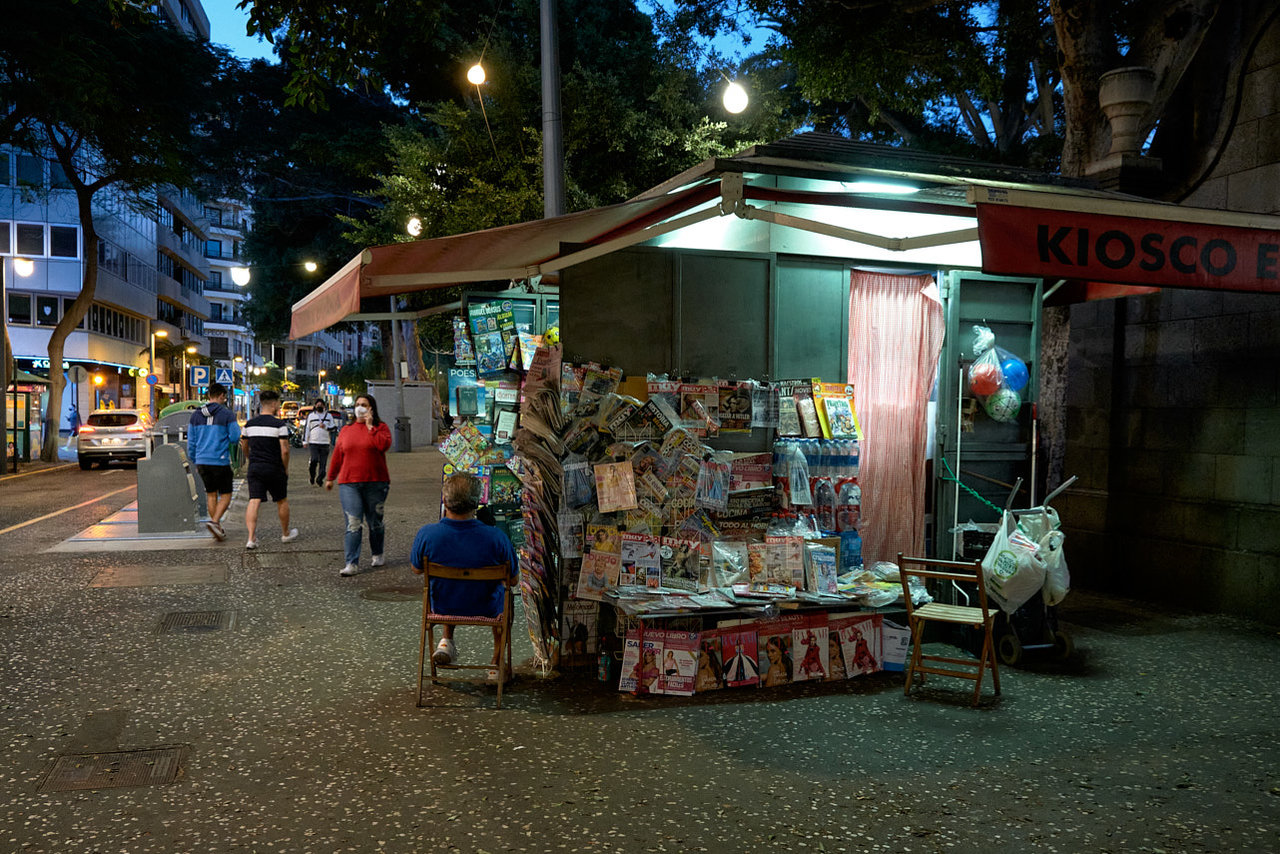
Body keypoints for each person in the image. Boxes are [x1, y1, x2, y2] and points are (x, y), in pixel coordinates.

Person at [411, 473, 519, 681]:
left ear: (445, 501)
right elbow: (512, 580)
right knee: (508, 597)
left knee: (448, 585)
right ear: (477, 503)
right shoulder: (496, 538)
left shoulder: (427, 534)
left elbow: (416, 569)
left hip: (442, 608)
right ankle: (496, 665)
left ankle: (446, 641)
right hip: (486, 608)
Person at [325, 393, 392, 575]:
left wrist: (371, 427)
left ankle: (377, 553)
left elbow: (383, 446)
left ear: (371, 408)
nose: (360, 407)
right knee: (353, 522)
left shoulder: (381, 428)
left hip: (376, 482)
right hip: (349, 483)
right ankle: (351, 563)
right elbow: (338, 455)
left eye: (364, 404)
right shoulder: (347, 430)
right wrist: (330, 477)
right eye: (358, 404)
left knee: (375, 522)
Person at [239, 390, 298, 549]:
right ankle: (285, 534)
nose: (279, 405)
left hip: (255, 467)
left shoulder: (249, 425)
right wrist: (285, 468)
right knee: (281, 500)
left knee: (254, 500)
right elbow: (285, 450)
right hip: (274, 467)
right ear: (273, 404)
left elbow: (244, 445)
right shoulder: (280, 425)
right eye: (278, 403)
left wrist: (250, 458)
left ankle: (251, 538)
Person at [188, 382, 241, 541]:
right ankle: (215, 521)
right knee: (226, 495)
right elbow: (235, 437)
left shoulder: (195, 415)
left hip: (202, 461)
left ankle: (216, 528)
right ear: (221, 396)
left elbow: (191, 442)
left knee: (211, 495)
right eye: (224, 397)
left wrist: (195, 460)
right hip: (220, 461)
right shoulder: (227, 414)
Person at [302, 398, 338, 487]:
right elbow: (306, 428)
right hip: (313, 442)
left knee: (323, 463)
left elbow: (333, 428)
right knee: (314, 460)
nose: (319, 406)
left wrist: (325, 427)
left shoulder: (329, 416)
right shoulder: (311, 416)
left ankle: (320, 478)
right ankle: (312, 475)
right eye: (317, 405)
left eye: (321, 405)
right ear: (315, 406)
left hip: (325, 442)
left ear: (324, 406)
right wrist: (305, 441)